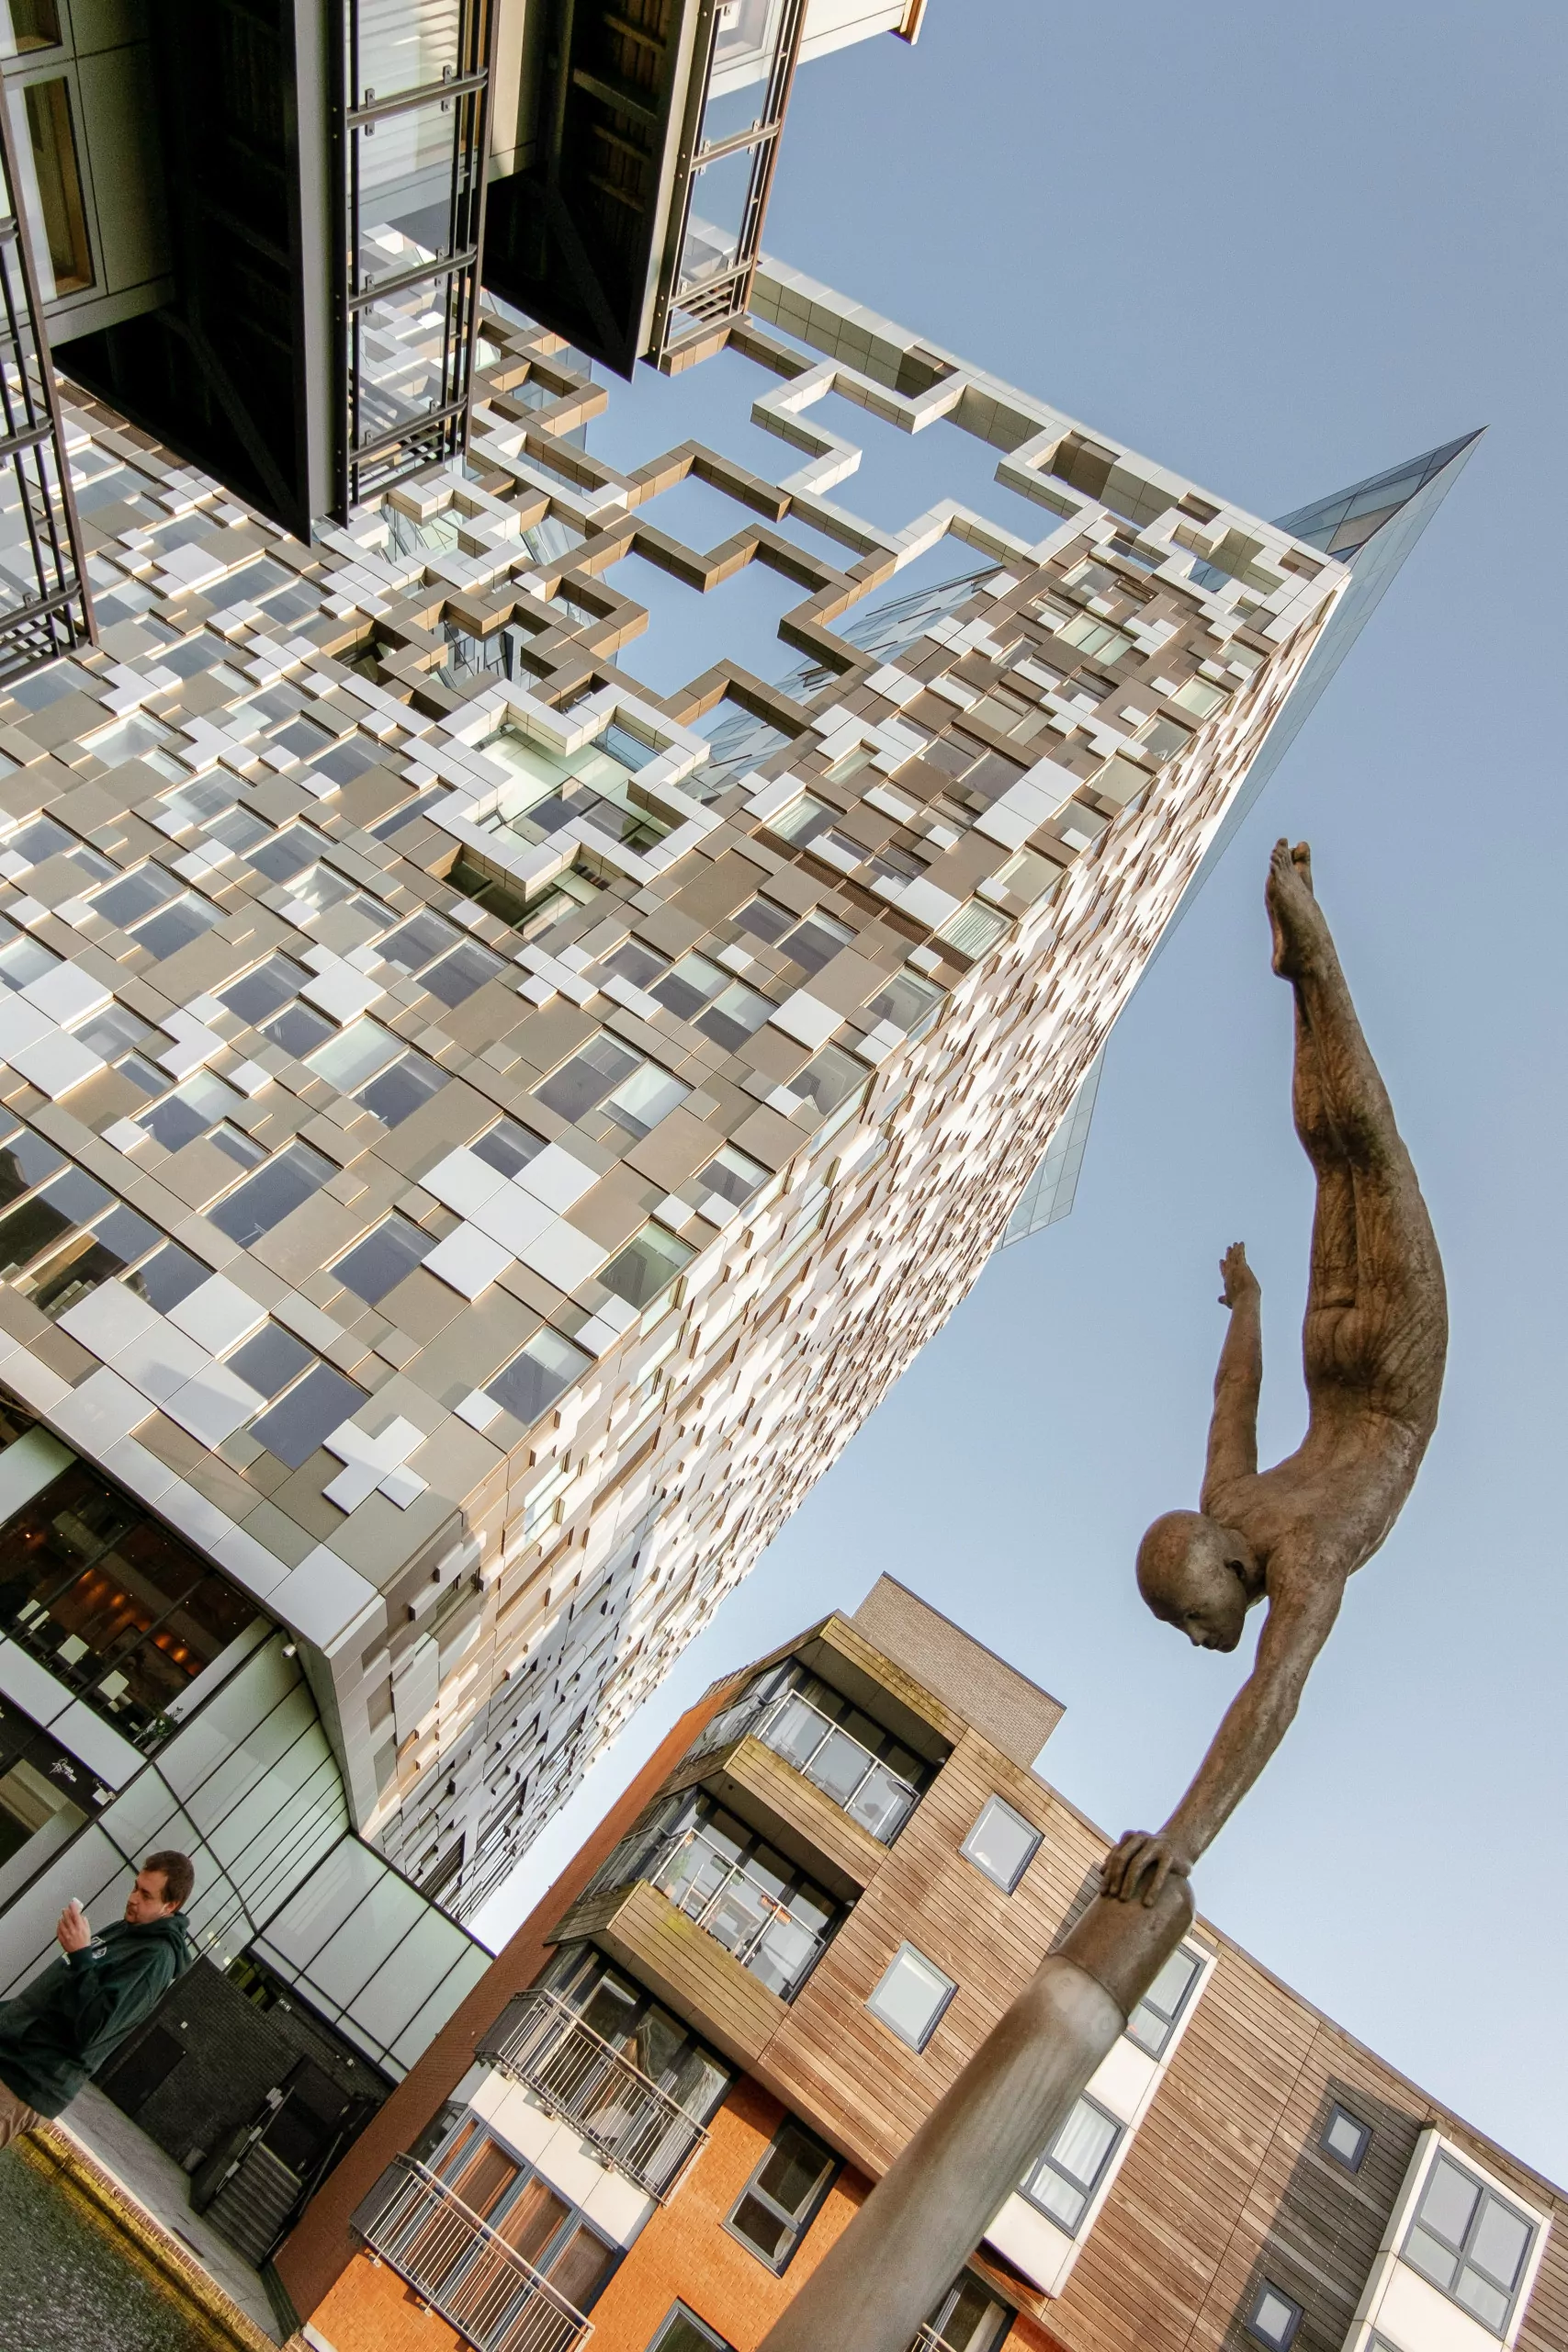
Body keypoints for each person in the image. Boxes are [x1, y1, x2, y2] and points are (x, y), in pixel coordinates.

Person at [1103, 842, 1448, 1905]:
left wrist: (1185, 1834)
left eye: (1193, 1617)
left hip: (1386, 1382)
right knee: (1345, 1151)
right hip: (1348, 1359)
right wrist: (1247, 1306)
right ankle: (1306, 965)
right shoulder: (1233, 1503)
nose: (1205, 1639)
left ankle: (1310, 953)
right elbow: (1232, 1397)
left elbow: (1274, 1692)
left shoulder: (1294, 1550)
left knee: (1356, 1149)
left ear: (1215, 1564)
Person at [0, 1851, 196, 2148]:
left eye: (146, 1895)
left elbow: (93, 2029)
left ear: (171, 1905)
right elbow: (51, 1996)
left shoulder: (155, 1958)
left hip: (27, 2081)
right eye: (135, 1887)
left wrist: (80, 1957)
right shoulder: (126, 1930)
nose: (133, 1898)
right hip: (12, 2057)